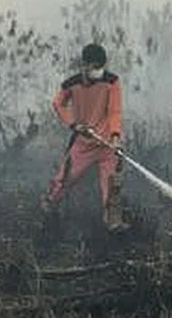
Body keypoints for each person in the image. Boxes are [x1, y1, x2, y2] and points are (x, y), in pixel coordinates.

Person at [41, 43, 128, 232]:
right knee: (63, 180)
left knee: (112, 186)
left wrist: (115, 136)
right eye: (95, 67)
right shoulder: (71, 84)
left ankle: (113, 223)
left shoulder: (112, 82)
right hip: (83, 144)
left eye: (101, 66)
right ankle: (47, 210)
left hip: (107, 145)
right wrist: (74, 124)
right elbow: (58, 104)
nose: (98, 71)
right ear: (86, 65)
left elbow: (115, 111)